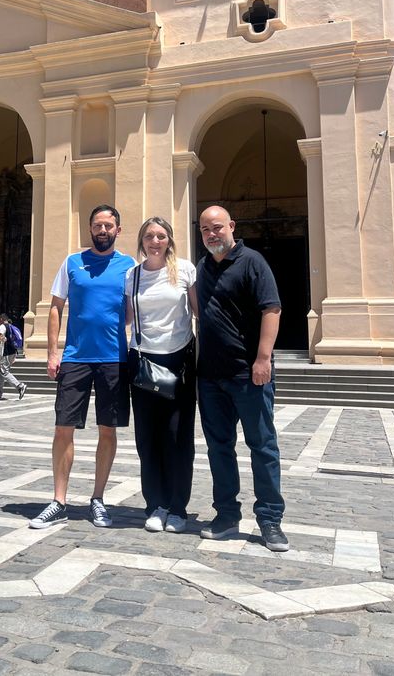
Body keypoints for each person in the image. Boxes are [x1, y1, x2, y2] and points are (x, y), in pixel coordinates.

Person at [29, 205, 134, 529]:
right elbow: (56, 308)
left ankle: (98, 499)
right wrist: (52, 352)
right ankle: (59, 500)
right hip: (74, 358)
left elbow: (132, 310)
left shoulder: (129, 266)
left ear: (118, 230)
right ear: (90, 229)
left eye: (109, 226)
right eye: (98, 225)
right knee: (63, 428)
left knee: (108, 429)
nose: (103, 230)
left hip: (114, 358)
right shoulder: (72, 263)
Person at [196, 205, 288, 552]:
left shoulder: (253, 262)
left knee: (262, 447)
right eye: (205, 229)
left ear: (231, 226)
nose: (211, 234)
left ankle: (269, 519)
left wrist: (263, 358)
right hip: (210, 378)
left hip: (249, 375)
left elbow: (272, 308)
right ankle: (226, 515)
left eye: (217, 227)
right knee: (219, 449)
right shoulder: (203, 268)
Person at [125, 217, 197, 534]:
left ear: (169, 240)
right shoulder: (133, 275)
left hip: (180, 359)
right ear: (142, 241)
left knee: (178, 436)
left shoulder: (185, 270)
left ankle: (178, 507)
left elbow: (200, 312)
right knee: (147, 438)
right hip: (143, 360)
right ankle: (155, 504)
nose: (155, 241)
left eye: (161, 236)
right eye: (150, 236)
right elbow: (125, 316)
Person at [0, 314, 27, 401]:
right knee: (0, 374)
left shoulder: (2, 326)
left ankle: (19, 386)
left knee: (4, 372)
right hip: (12, 352)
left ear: (1, 319)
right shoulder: (11, 326)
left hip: (6, 353)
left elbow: (1, 335)